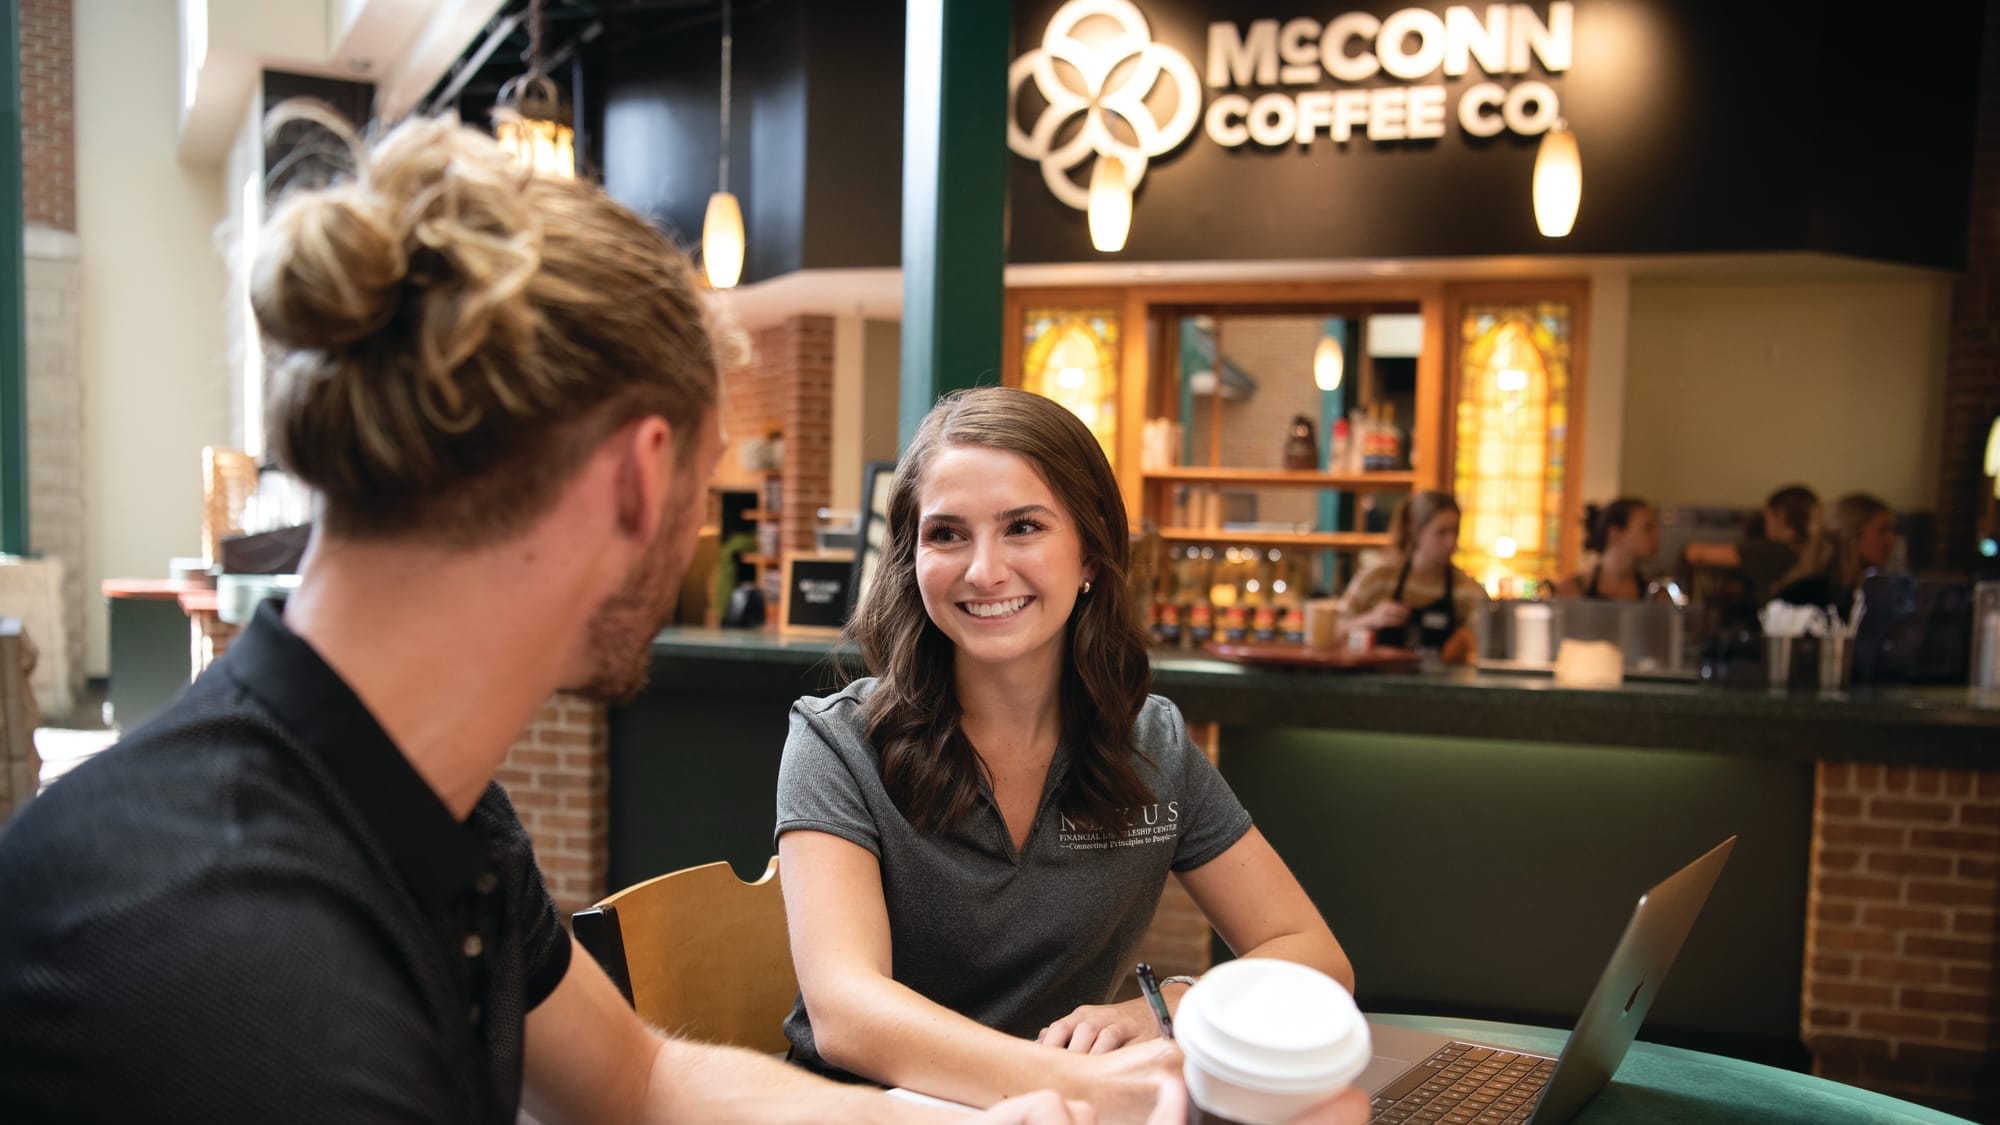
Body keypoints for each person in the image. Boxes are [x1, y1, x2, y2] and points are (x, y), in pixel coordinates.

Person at [0, 110, 1322, 1125]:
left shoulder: (429, 816)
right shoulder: (217, 951)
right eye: (704, 482)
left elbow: (638, 1077)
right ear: (642, 474)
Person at [775, 387, 1356, 1123]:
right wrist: (1081, 1084)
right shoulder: (835, 741)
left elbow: (1315, 958)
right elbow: (848, 1012)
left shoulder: (1151, 743)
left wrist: (1169, 1009)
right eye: (947, 534)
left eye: (1023, 527)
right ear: (911, 560)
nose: (983, 570)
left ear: (1089, 550)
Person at [1334, 490, 1487, 663]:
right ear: (1415, 530)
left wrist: (1466, 641)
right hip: (1378, 685)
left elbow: (1489, 647)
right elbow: (1331, 632)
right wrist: (1372, 619)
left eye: (1455, 531)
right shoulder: (1379, 577)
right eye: (1441, 532)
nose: (1451, 542)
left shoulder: (1467, 590)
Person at [1684, 484, 1819, 607]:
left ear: (1780, 516)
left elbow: (1696, 554)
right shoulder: (1814, 552)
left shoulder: (1776, 552)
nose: (1765, 526)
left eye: (1767, 518)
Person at [1771, 492, 1896, 611]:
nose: (1890, 541)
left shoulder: (1883, 592)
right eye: (1882, 531)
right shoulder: (1804, 596)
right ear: (1852, 535)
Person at [1556, 497, 1661, 601]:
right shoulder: (1571, 592)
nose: (1657, 536)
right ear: (1615, 534)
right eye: (1648, 528)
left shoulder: (1656, 595)